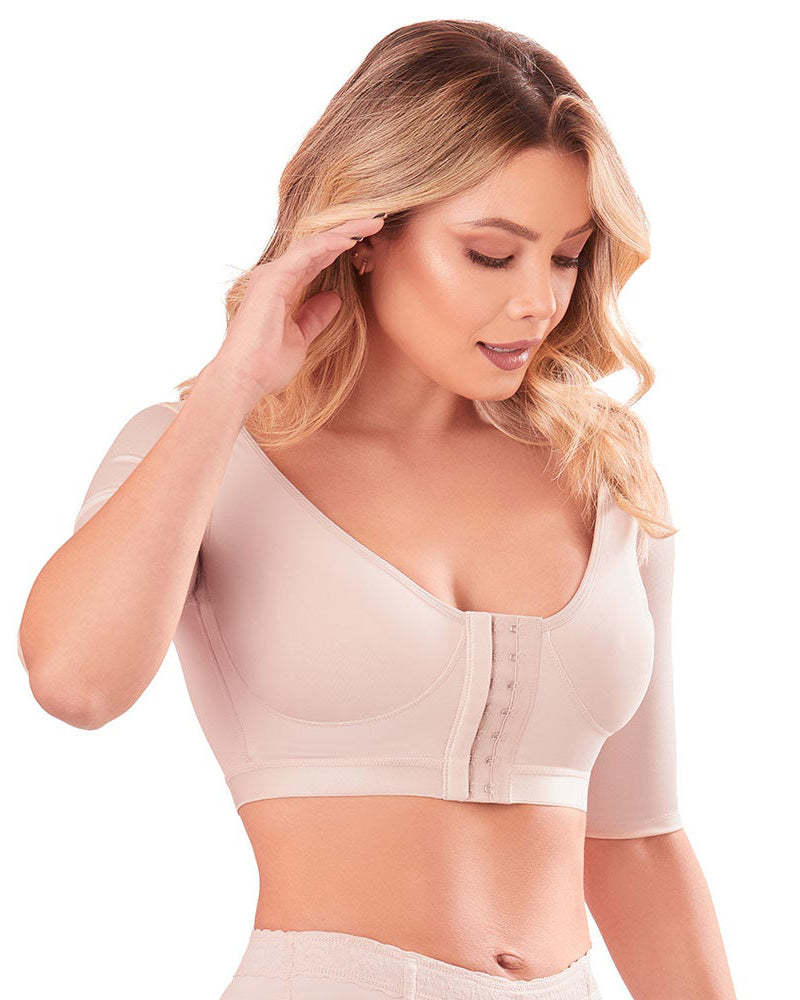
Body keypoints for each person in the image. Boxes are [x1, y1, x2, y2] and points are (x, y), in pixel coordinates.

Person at [16, 18, 738, 1000]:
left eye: (567, 256)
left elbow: (637, 840)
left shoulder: (602, 472)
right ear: (365, 237)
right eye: (491, 254)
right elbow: (75, 684)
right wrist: (232, 385)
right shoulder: (206, 454)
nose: (540, 302)